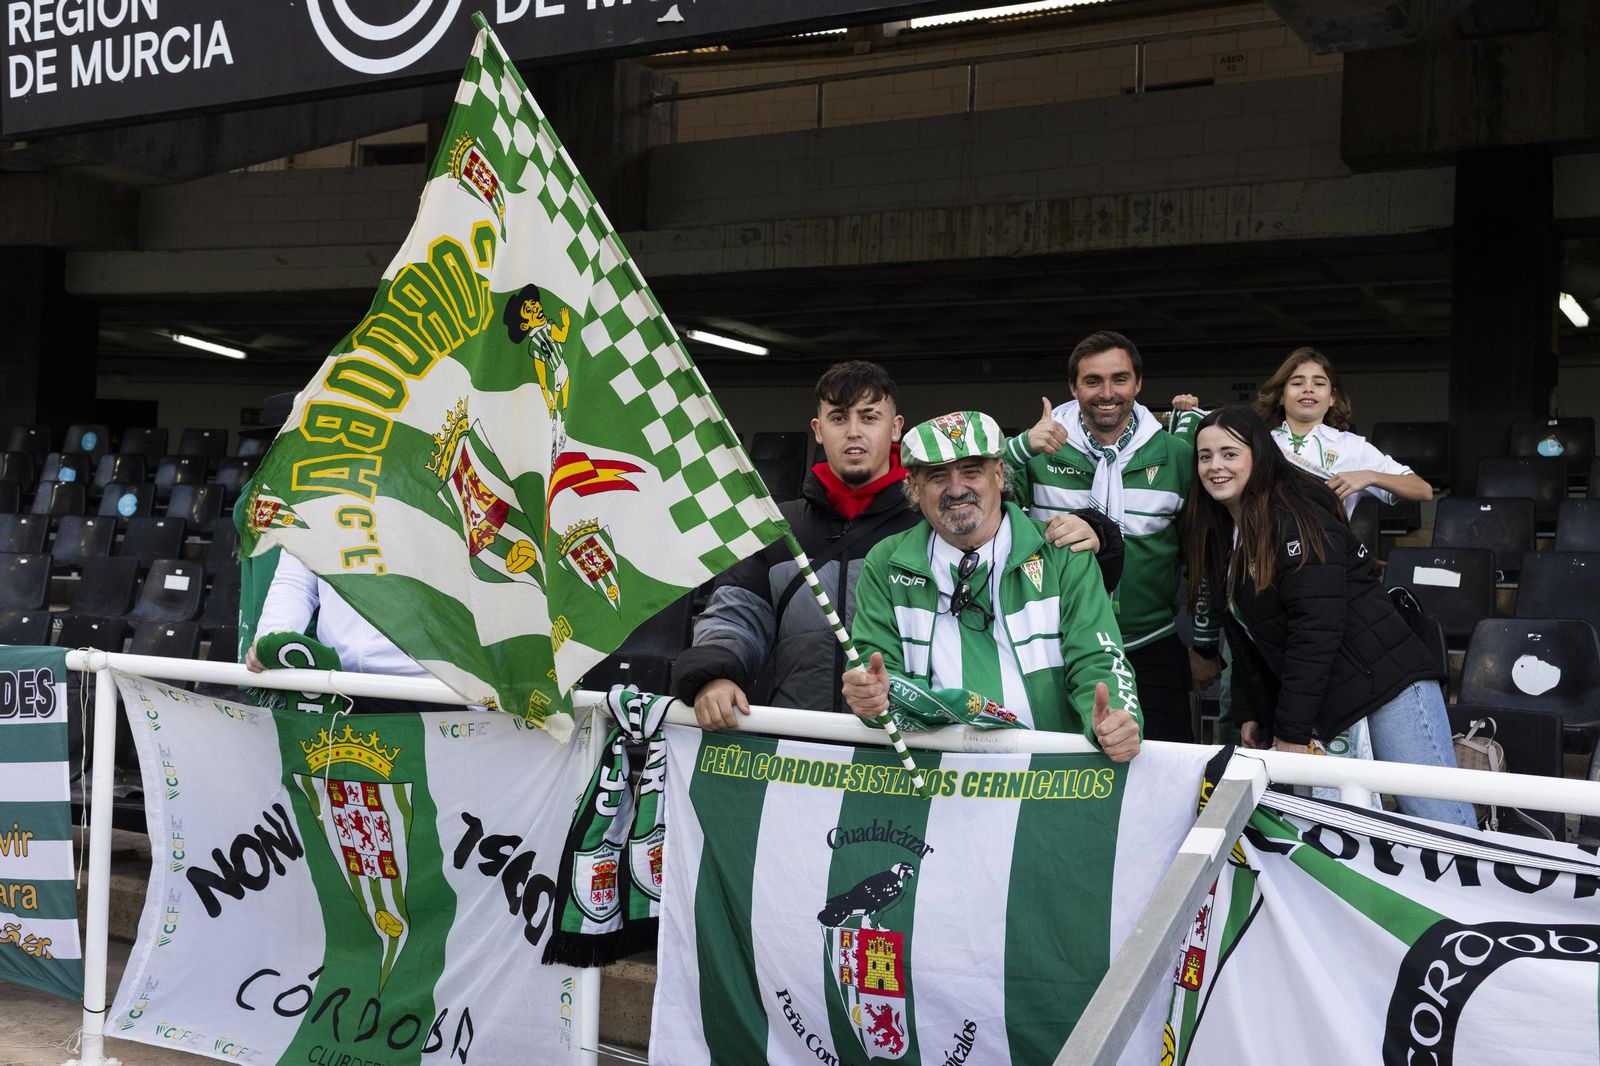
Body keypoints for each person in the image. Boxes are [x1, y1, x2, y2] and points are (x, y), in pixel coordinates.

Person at [674, 363, 1120, 730]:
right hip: (799, 737)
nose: (853, 432)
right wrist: (715, 673)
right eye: (838, 417)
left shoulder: (941, 517)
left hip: (910, 750)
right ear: (817, 429)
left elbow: (1026, 553)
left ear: (895, 428)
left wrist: (1100, 538)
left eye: (869, 417)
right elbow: (735, 612)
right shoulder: (776, 528)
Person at [1187, 406, 1474, 826]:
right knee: (1340, 838)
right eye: (1205, 456)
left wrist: (1289, 733)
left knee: (1441, 823)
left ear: (1260, 456)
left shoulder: (1297, 517)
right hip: (1329, 696)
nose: (1215, 466)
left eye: (1230, 453)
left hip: (1386, 685)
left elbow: (1315, 631)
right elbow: (1248, 639)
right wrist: (1254, 714)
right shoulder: (1224, 534)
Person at [843, 410, 1140, 760]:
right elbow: (875, 666)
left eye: (971, 472)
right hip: (931, 773)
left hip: (1049, 777)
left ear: (999, 475)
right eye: (938, 476)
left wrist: (1116, 718)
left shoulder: (1062, 552)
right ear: (914, 489)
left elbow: (1098, 659)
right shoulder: (885, 562)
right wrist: (869, 695)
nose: (956, 489)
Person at [1006, 330, 1217, 742]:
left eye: (1119, 379)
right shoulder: (1038, 451)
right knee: (1064, 776)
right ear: (1073, 387)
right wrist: (1019, 448)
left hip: (1151, 642)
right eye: (1092, 381)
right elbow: (976, 511)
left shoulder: (1176, 455)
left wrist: (1205, 646)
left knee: (1167, 775)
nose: (1107, 393)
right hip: (1058, 645)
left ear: (1138, 384)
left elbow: (1201, 555)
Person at [245, 551, 443, 714]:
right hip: (334, 685)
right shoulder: (314, 503)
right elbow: (296, 581)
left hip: (431, 690)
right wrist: (273, 640)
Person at [1252, 347, 1433, 518]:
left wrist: (1370, 476)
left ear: (1332, 398)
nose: (1308, 389)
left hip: (1327, 549)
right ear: (1282, 396)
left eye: (1319, 383)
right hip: (1261, 549)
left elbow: (1423, 490)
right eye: (1297, 383)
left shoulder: (1352, 447)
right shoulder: (1256, 442)